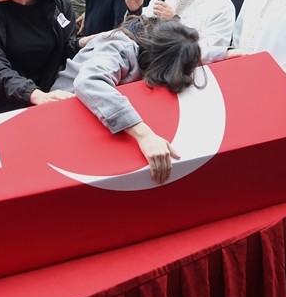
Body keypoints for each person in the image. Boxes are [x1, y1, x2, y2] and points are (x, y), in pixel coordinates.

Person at [53, 18, 206, 185]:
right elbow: (88, 82)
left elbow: (183, 48)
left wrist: (226, 53)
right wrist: (145, 135)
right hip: (64, 117)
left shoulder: (160, 48)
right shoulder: (118, 47)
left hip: (101, 112)